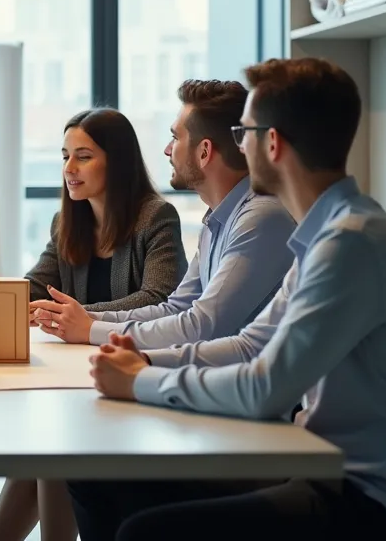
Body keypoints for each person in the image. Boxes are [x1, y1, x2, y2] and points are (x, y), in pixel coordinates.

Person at [67, 57, 386, 541]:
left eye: (244, 131)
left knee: (144, 531)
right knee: (93, 476)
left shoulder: (349, 243)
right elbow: (252, 345)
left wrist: (141, 380)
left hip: (369, 505)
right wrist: (142, 359)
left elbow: (263, 388)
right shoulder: (327, 234)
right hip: (328, 476)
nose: (238, 144)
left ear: (272, 144)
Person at [0, 107, 187, 541]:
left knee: (52, 448)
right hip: (78, 379)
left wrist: (84, 318)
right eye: (64, 157)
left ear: (117, 161)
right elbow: (35, 288)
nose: (69, 170)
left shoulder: (156, 216)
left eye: (83, 157)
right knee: (44, 452)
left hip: (133, 377)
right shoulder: (66, 222)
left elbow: (163, 299)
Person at [32, 79, 295, 350]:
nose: (168, 150)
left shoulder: (260, 218)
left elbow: (203, 324)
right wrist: (88, 319)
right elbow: (175, 308)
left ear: (204, 152)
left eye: (175, 138)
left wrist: (91, 329)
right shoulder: (217, 219)